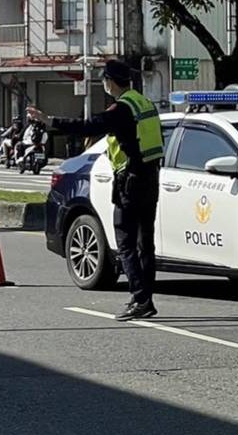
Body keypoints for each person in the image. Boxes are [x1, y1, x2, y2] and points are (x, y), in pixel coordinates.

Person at [29, 60, 163, 319]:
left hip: (131, 182)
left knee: (125, 243)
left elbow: (87, 126)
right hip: (151, 178)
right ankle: (146, 297)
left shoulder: (121, 109)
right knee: (145, 243)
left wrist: (49, 120)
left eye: (104, 80)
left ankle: (140, 299)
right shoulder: (145, 104)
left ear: (110, 81)